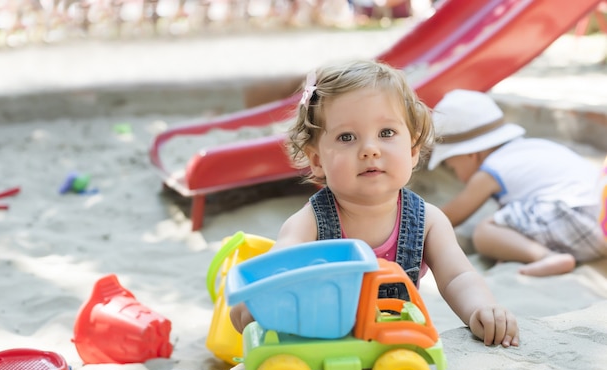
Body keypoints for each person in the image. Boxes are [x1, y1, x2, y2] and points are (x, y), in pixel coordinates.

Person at [230, 60, 519, 348]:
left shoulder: (428, 220)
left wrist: (480, 308)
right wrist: (258, 298)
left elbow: (458, 277)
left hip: (394, 341)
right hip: (326, 342)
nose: (370, 149)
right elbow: (281, 262)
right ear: (318, 160)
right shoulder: (310, 222)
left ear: (413, 150)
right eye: (347, 137)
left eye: (386, 133)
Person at [428, 89, 607, 277]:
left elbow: (449, 216)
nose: (454, 174)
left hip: (570, 217)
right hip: (598, 222)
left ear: (472, 155)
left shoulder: (490, 171)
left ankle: (547, 257)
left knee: (484, 232)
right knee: (504, 221)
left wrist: (415, 223)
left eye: (451, 167)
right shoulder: (530, 147)